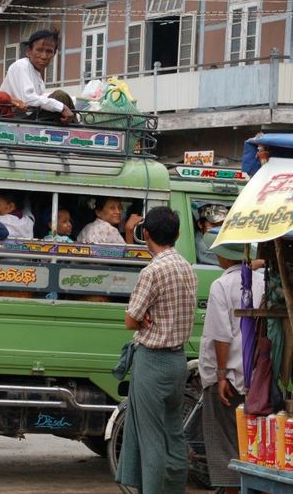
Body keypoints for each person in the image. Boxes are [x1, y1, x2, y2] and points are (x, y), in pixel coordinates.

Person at [115, 206, 198, 494]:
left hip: (152, 362)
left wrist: (142, 317)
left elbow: (130, 320)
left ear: (145, 234)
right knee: (173, 435)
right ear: (176, 234)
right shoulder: (187, 268)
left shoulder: (152, 271)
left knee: (151, 440)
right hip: (177, 361)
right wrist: (144, 316)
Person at [197, 232, 263, 493]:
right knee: (253, 447)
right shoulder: (261, 282)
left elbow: (220, 335)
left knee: (226, 448)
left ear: (224, 256)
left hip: (229, 379)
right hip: (257, 378)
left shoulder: (221, 286)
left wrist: (222, 375)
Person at [0, 29, 75, 124]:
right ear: (28, 52)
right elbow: (28, 100)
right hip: (14, 119)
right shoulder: (21, 66)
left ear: (54, 54)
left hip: (29, 117)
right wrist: (61, 107)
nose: (44, 56)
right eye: (39, 50)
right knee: (60, 96)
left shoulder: (37, 75)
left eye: (49, 52)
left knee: (61, 100)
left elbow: (39, 100)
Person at [77, 196, 142, 245]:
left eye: (120, 208)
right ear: (98, 212)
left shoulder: (87, 227)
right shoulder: (109, 230)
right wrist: (128, 230)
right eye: (112, 208)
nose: (118, 212)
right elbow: (128, 257)